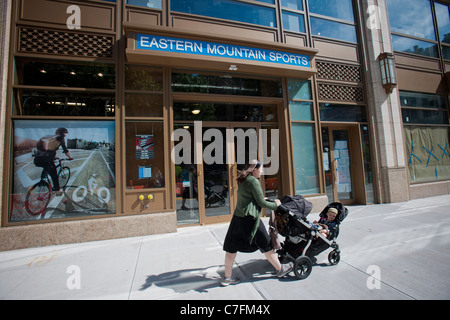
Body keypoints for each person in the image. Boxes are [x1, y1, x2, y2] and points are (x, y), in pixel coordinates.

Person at [221, 160, 293, 286]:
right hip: (251, 218)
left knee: (231, 247)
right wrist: (275, 204)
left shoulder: (243, 179)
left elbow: (248, 197)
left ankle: (227, 278)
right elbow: (262, 203)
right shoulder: (254, 181)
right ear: (255, 169)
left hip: (238, 217)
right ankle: (280, 269)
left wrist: (258, 198)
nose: (262, 171)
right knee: (266, 243)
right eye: (261, 169)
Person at [34, 127, 73, 192]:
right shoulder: (61, 139)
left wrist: (53, 157)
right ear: (63, 133)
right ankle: (56, 189)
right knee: (54, 174)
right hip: (47, 159)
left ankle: (42, 180)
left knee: (46, 166)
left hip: (37, 159)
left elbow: (47, 149)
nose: (65, 135)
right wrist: (69, 157)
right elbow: (65, 150)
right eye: (65, 133)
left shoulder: (50, 137)